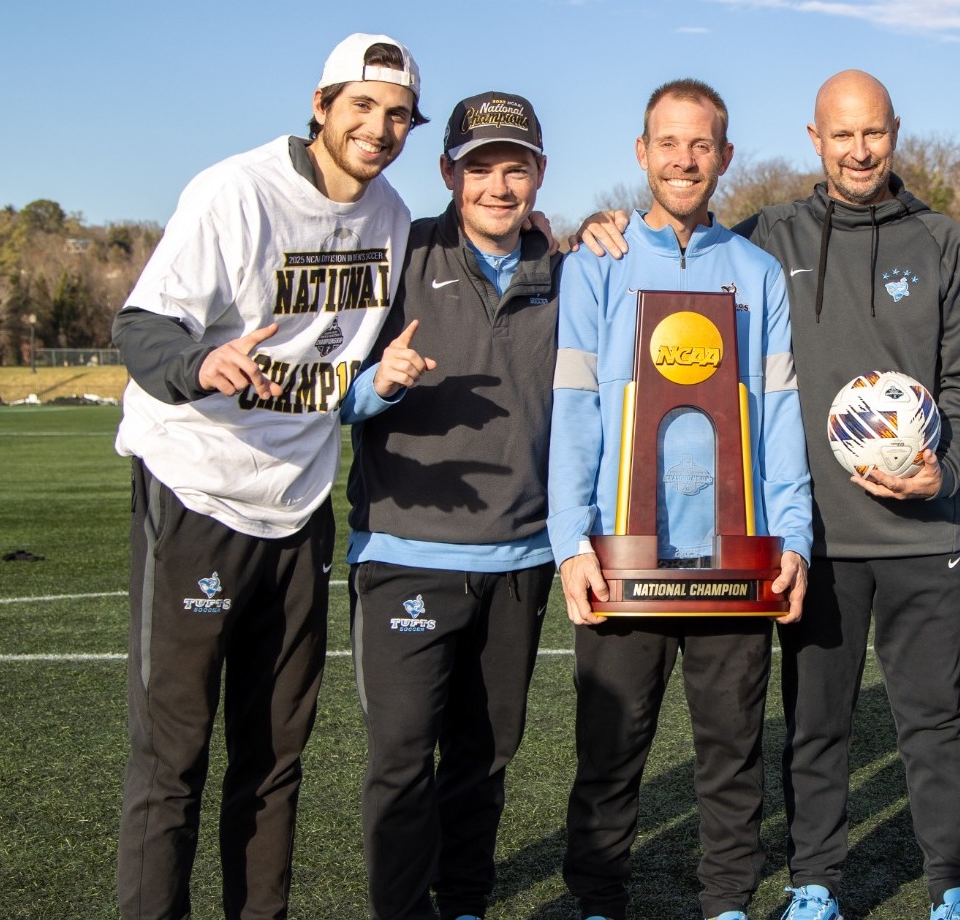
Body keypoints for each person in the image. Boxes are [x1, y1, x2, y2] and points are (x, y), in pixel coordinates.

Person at [578, 69, 960, 920]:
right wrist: (604, 227)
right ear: (816, 139)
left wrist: (942, 469)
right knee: (815, 727)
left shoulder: (941, 241)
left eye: (872, 132)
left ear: (895, 132)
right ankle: (815, 884)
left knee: (936, 722)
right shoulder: (770, 237)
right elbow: (683, 254)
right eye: (840, 134)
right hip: (819, 539)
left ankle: (954, 887)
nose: (857, 149)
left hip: (924, 534)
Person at [110, 33, 423, 920]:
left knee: (276, 752)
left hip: (297, 505)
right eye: (361, 106)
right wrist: (201, 365)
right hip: (196, 490)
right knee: (172, 754)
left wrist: (375, 387)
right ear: (321, 107)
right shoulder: (234, 192)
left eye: (397, 113)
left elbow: (340, 377)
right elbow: (141, 326)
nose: (379, 127)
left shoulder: (392, 216)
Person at [548, 78, 813, 920]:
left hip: (734, 558)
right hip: (623, 555)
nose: (684, 160)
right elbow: (574, 410)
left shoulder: (758, 273)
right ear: (642, 153)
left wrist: (794, 536)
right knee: (609, 750)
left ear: (725, 156)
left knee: (731, 752)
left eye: (701, 145)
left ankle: (728, 902)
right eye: (668, 143)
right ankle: (597, 902)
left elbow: (778, 417)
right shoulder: (598, 263)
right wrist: (569, 539)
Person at [340, 90, 559, 920]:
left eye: (515, 168)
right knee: (400, 760)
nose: (498, 187)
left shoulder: (566, 266)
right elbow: (330, 395)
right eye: (479, 170)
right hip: (404, 554)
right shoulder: (395, 253)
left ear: (539, 175)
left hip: (520, 559)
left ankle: (463, 902)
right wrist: (376, 386)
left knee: (486, 755)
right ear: (447, 173)